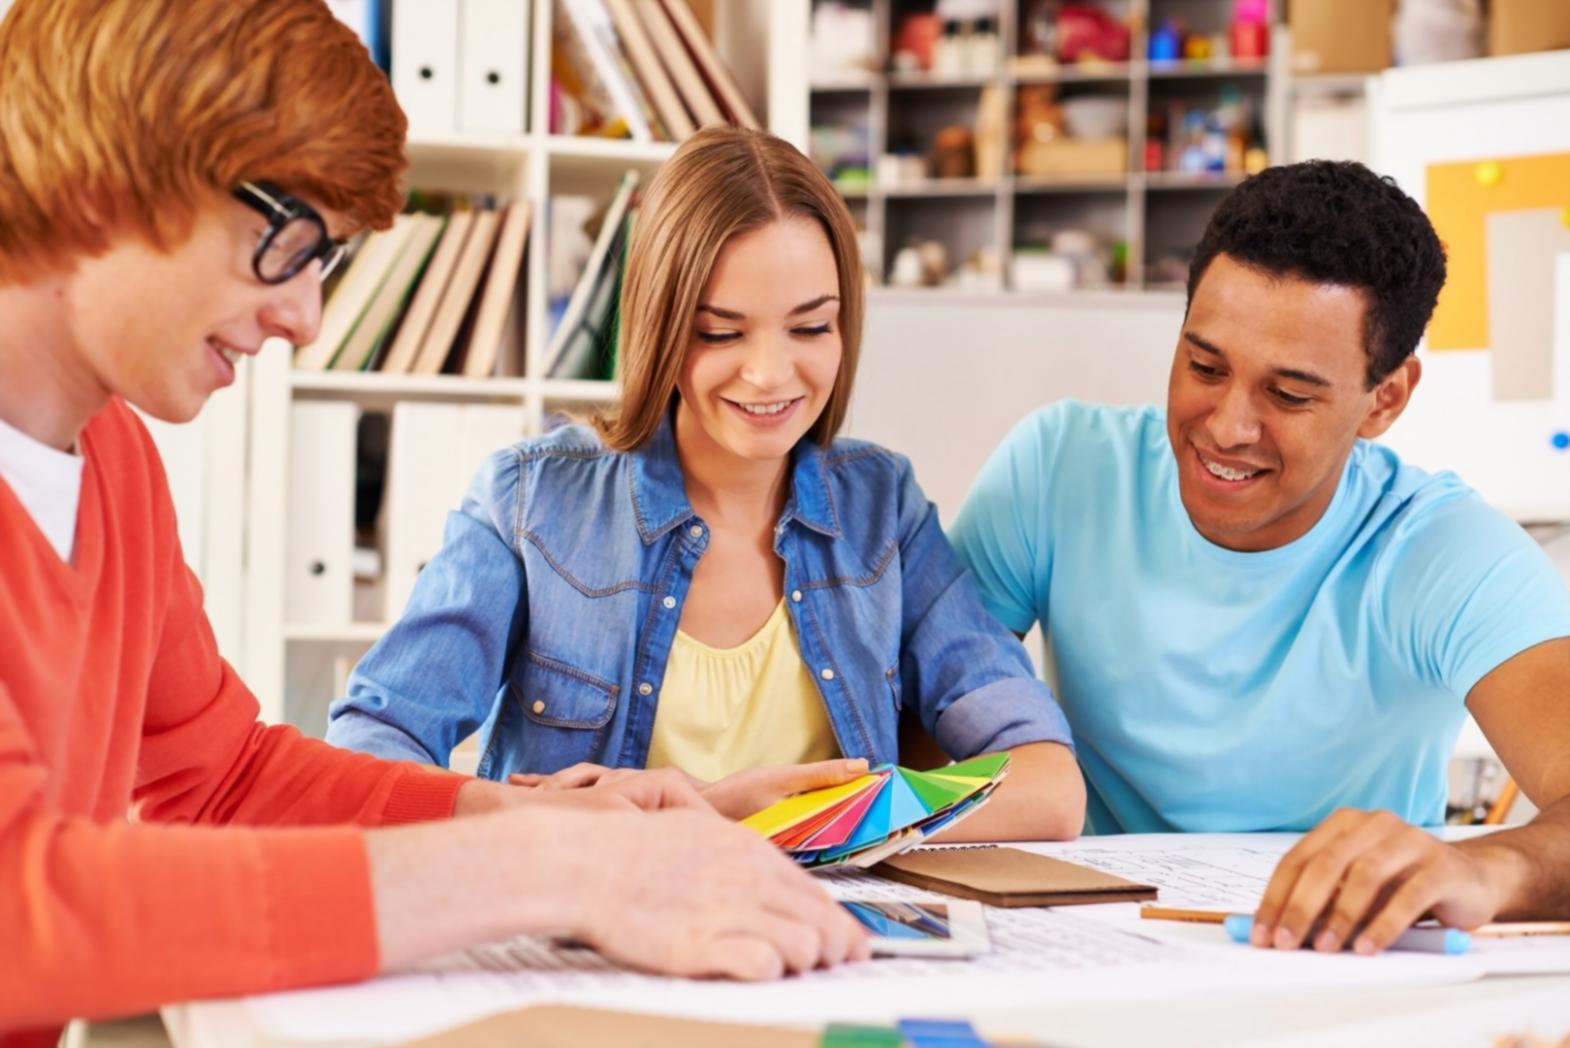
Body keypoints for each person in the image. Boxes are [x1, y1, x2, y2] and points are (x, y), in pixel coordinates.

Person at [0, 2, 866, 1039]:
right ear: (109, 176)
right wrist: (546, 869)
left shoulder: (113, 463)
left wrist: (518, 811)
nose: (305, 319)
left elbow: (221, 776)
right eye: (286, 245)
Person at [327, 127, 1086, 843]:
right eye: (721, 331)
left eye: (811, 327)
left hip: (828, 948)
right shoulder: (532, 503)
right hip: (596, 937)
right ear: (659, 324)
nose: (769, 374)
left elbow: (1048, 787)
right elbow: (368, 754)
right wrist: (692, 821)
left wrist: (836, 818)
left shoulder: (881, 508)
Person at [948, 160, 1570, 954]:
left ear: (1385, 398)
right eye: (1204, 366)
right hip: (1081, 939)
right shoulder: (1057, 469)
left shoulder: (1442, 550)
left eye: (1290, 394)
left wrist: (1484, 871)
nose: (1228, 426)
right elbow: (918, 717)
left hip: (1339, 959)